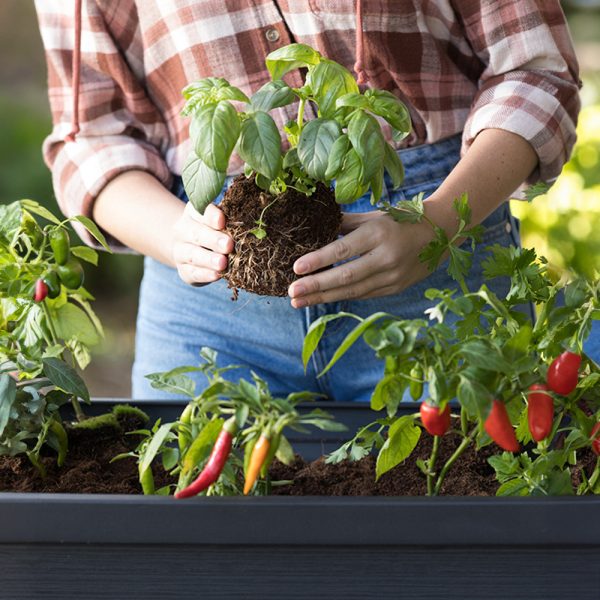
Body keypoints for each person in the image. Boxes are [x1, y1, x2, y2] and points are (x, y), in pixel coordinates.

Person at [34, 1, 581, 401]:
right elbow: (92, 136)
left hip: (433, 249)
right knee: (203, 550)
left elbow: (534, 70)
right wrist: (177, 236)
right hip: (210, 302)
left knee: (464, 536)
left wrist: (434, 224)